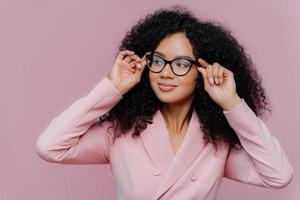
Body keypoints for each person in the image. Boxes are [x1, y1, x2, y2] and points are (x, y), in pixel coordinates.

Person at [36, 5, 294, 200]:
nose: (165, 72)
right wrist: (111, 88)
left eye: (181, 64)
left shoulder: (217, 142)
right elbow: (50, 146)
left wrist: (233, 103)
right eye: (158, 61)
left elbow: (278, 175)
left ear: (201, 72)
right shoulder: (119, 133)